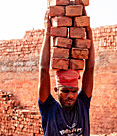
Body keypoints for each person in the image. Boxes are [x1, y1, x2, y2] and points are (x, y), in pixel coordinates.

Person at [38, 8, 95, 136]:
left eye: (74, 91)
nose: (70, 95)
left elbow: (90, 69)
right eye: (65, 91)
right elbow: (43, 70)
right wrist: (48, 33)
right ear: (56, 89)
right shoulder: (49, 108)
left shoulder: (82, 105)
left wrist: (88, 31)